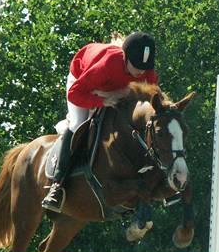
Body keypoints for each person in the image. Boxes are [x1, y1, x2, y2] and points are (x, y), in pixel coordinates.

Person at [42, 32, 159, 213]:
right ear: (125, 57)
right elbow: (75, 93)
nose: (140, 72)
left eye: (144, 68)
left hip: (116, 88)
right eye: (136, 66)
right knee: (78, 123)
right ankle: (57, 185)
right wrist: (102, 102)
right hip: (83, 82)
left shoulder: (147, 72)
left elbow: (152, 102)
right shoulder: (108, 64)